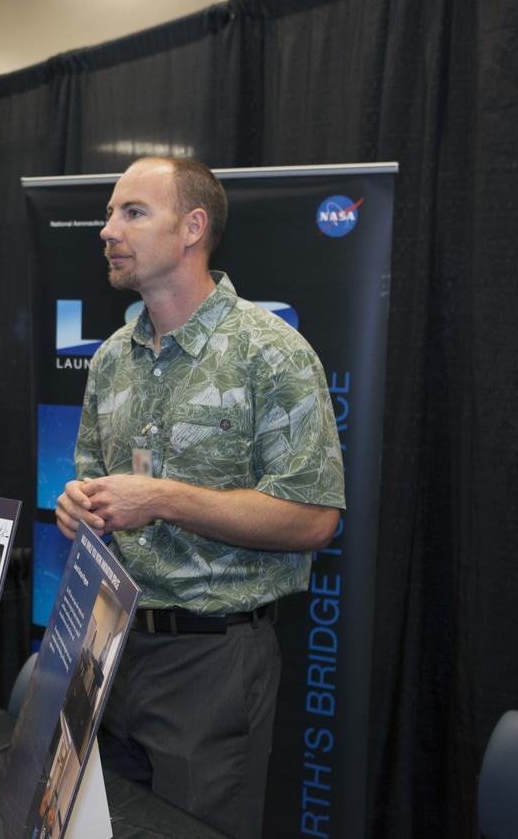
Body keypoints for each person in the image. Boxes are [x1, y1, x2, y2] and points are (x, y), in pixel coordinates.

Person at [55, 157, 346, 839]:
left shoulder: (269, 352)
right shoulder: (110, 359)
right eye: (108, 212)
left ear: (193, 228)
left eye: (131, 212)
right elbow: (93, 482)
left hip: (212, 664)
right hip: (112, 647)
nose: (107, 230)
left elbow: (314, 518)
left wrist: (160, 498)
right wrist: (79, 505)